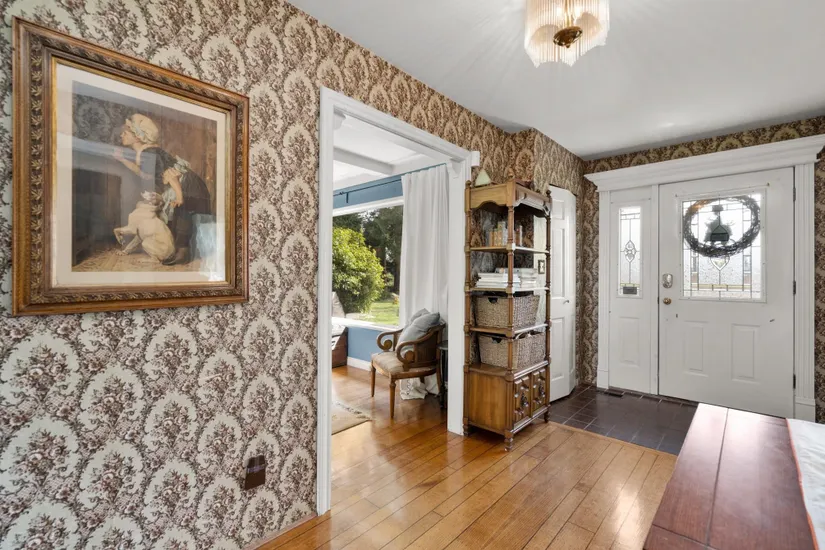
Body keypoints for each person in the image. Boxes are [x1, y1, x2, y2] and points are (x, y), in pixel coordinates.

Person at [113, 113, 212, 265]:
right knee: (176, 214)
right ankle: (177, 251)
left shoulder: (149, 152)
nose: (122, 135)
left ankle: (182, 253)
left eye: (125, 132)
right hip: (179, 184)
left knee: (181, 211)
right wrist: (122, 159)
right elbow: (144, 174)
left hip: (186, 184)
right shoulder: (146, 152)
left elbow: (170, 175)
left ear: (138, 136)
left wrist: (179, 196)